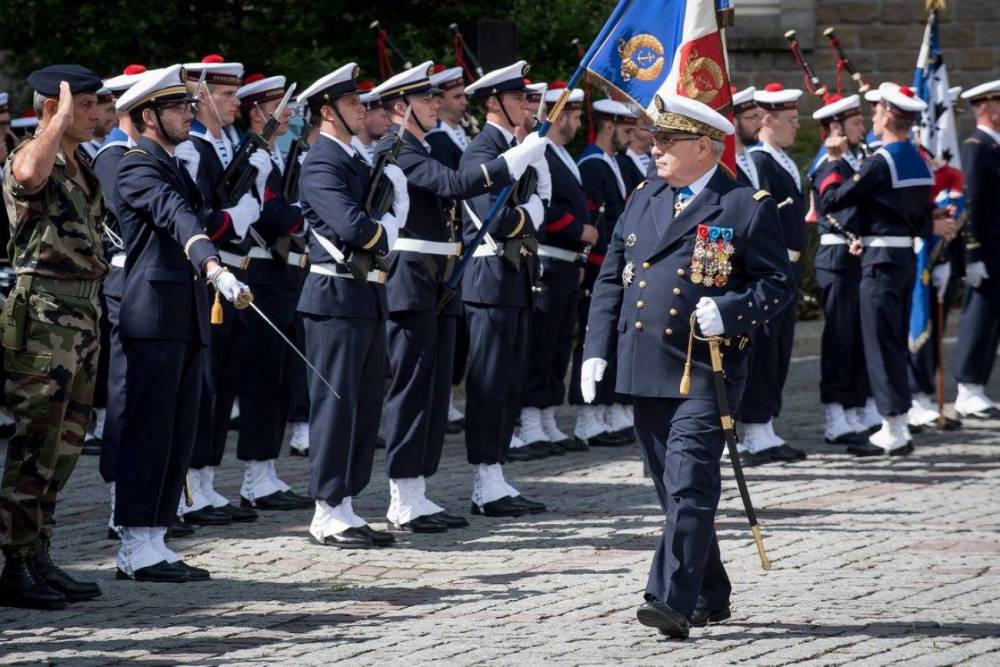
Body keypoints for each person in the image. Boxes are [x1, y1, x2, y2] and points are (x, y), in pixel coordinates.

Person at [581, 94, 794, 638]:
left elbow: (777, 284)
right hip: (645, 363)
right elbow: (612, 277)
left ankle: (670, 598)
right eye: (654, 140)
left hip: (705, 366)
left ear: (703, 146)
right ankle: (711, 589)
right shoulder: (645, 197)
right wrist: (595, 349)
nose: (654, 149)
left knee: (690, 482)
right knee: (670, 487)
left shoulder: (744, 204)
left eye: (666, 141)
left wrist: (731, 309)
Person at [373, 62, 544, 531]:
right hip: (410, 274)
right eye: (425, 99)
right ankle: (402, 494)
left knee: (432, 387)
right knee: (412, 389)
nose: (436, 104)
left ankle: (418, 490)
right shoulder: (397, 149)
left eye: (432, 97)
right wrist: (511, 163)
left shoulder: (421, 147)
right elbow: (451, 187)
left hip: (436, 278)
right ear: (400, 107)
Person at [112, 64, 253, 582]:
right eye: (177, 108)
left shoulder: (174, 163)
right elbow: (176, 215)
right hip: (152, 314)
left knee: (176, 430)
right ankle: (132, 542)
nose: (187, 115)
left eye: (188, 107)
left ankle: (156, 536)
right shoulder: (136, 166)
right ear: (149, 115)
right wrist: (212, 264)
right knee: (149, 429)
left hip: (185, 314)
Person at [0, 64, 108, 610]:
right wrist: (55, 119)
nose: (96, 114)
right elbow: (25, 176)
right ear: (54, 108)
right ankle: (13, 563)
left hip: (81, 316)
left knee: (65, 446)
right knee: (34, 441)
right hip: (44, 316)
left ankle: (38, 553)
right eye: (86, 104)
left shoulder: (80, 162)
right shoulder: (30, 153)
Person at [296, 63, 408, 549]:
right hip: (334, 297)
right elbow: (352, 227)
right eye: (351, 104)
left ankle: (345, 502)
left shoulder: (355, 160)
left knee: (363, 408)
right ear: (328, 111)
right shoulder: (321, 161)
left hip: (364, 294)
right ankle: (326, 507)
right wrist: (390, 225)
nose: (362, 109)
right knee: (335, 406)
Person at [822, 83, 947, 454]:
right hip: (904, 259)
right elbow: (924, 221)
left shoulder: (882, 161)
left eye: (876, 111)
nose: (873, 117)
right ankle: (898, 423)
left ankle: (893, 427)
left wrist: (832, 163)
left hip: (878, 262)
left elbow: (833, 200)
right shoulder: (918, 158)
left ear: (889, 115)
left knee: (880, 344)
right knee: (894, 343)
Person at [459, 61, 549, 517]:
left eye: (527, 97)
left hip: (514, 278)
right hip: (489, 280)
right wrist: (531, 214)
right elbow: (492, 216)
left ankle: (496, 474)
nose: (526, 104)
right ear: (493, 103)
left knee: (510, 381)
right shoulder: (481, 152)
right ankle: (484, 478)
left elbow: (535, 202)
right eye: (517, 98)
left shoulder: (517, 148)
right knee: (490, 384)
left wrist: (535, 204)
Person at [180, 55, 262, 526]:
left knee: (224, 382)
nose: (236, 102)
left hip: (232, 276)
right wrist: (239, 218)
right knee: (207, 384)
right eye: (228, 94)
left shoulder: (223, 145)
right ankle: (190, 486)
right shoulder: (193, 148)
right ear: (204, 95)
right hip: (207, 277)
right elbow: (202, 217)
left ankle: (207, 481)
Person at [231, 73, 312, 511]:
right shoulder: (252, 153)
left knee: (279, 379)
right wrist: (307, 210)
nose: (290, 113)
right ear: (257, 111)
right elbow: (272, 215)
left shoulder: (274, 153)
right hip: (261, 275)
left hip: (283, 276)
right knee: (262, 379)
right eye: (281, 105)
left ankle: (264, 471)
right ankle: (255, 475)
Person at [517, 83, 594, 457]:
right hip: (546, 258)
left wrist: (580, 253)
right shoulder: (541, 151)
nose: (577, 123)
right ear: (559, 116)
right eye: (574, 115)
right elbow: (541, 205)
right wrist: (578, 230)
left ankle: (547, 414)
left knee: (559, 344)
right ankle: (530, 417)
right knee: (541, 342)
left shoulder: (563, 154)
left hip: (566, 262)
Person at [739, 83, 808, 465]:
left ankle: (764, 424)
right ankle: (754, 427)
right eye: (791, 121)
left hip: (786, 264)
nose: (797, 127)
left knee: (778, 347)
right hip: (767, 265)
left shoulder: (778, 158)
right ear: (769, 120)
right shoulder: (760, 160)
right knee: (764, 347)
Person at [808, 94, 876, 453]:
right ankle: (836, 414)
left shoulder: (851, 158)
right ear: (835, 127)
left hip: (852, 257)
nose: (862, 127)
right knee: (839, 338)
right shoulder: (829, 162)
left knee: (855, 339)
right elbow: (830, 208)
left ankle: (853, 407)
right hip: (837, 255)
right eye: (855, 122)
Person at [570, 99, 637, 448]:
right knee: (591, 338)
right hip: (599, 267)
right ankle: (587, 415)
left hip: (615, 266)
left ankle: (607, 409)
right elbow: (596, 219)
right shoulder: (593, 165)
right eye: (626, 129)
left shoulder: (615, 163)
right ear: (608, 126)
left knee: (614, 340)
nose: (632, 136)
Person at [424, 64, 472, 434]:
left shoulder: (460, 136)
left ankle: (446, 397)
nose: (463, 101)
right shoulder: (438, 142)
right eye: (456, 96)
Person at [953, 80, 1000, 419]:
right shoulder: (976, 146)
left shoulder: (993, 145)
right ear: (987, 109)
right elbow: (970, 203)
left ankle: (978, 386)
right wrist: (972, 254)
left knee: (992, 320)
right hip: (985, 251)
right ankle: (967, 387)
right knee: (979, 317)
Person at [731, 86, 761, 189]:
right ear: (733, 122)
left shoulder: (750, 156)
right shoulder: (723, 164)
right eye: (752, 118)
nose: (759, 125)